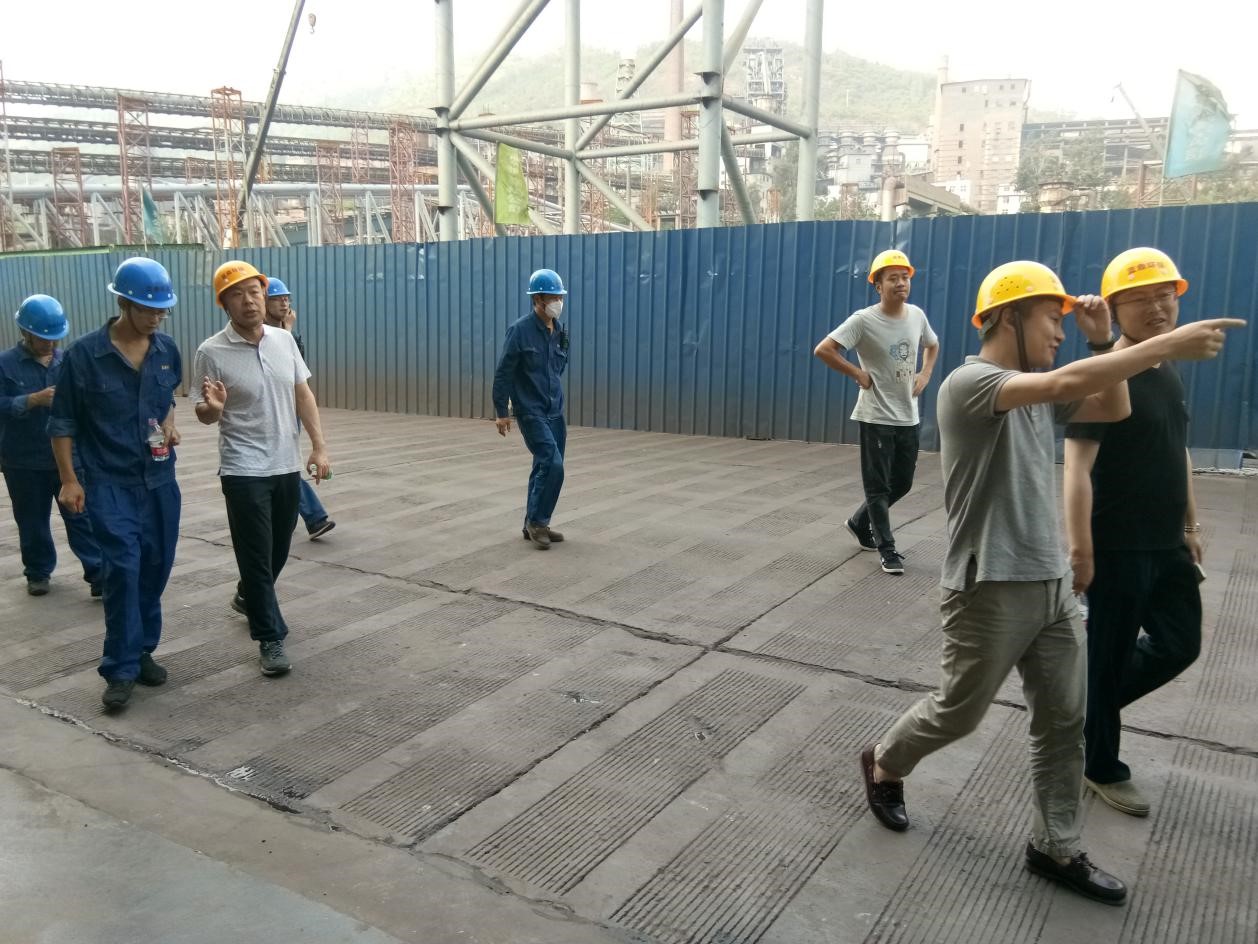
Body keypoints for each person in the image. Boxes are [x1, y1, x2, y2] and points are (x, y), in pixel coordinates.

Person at [858, 259, 1243, 905]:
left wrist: (1103, 341)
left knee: (1066, 721)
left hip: (1053, 584)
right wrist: (1163, 345)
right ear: (1008, 317)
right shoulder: (971, 383)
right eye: (1051, 319)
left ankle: (1055, 846)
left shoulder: (1039, 389)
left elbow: (1112, 404)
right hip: (988, 586)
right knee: (960, 711)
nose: (1061, 333)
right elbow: (1067, 381)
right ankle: (887, 760)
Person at [1064, 248, 1204, 818]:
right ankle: (1099, 764)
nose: (1157, 308)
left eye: (1165, 295)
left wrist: (1190, 523)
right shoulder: (1102, 376)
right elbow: (1076, 468)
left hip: (1167, 542)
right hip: (1118, 544)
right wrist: (1081, 549)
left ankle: (1084, 712)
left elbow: (1178, 448)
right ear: (1114, 309)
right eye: (1140, 299)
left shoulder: (1166, 367)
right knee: (1109, 654)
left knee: (1180, 644)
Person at [49, 258, 182, 711]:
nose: (156, 317)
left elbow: (167, 399)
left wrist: (169, 422)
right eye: (147, 309)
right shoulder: (84, 356)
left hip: (160, 479)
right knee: (123, 569)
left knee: (155, 567)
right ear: (123, 303)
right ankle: (120, 668)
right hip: (108, 482)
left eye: (162, 310)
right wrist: (69, 480)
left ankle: (142, 650)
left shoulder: (166, 350)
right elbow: (62, 422)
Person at [194, 261, 332, 678]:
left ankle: (247, 594)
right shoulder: (211, 352)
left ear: (263, 295)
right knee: (255, 554)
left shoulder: (284, 341)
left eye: (254, 292)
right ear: (224, 304)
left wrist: (319, 446)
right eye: (237, 295)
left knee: (278, 549)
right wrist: (212, 409)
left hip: (285, 463)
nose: (249, 301)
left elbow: (303, 394)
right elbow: (204, 412)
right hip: (242, 468)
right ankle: (270, 637)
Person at [814, 250, 939, 575]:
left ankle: (859, 521)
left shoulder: (916, 316)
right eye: (892, 278)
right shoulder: (863, 320)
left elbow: (932, 344)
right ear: (878, 285)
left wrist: (925, 374)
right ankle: (887, 548)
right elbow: (824, 349)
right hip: (875, 415)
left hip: (907, 415)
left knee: (903, 482)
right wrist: (857, 373)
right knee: (878, 486)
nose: (901, 283)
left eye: (905, 277)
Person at [1, 295, 103, 598]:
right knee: (31, 520)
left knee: (81, 517)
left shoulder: (68, 361)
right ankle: (37, 572)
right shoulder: (5, 364)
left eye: (55, 338)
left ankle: (99, 573)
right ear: (25, 332)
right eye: (43, 338)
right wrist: (31, 400)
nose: (50, 343)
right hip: (23, 460)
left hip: (70, 459)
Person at [492, 268, 570, 550]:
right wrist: (502, 412)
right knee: (553, 464)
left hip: (555, 411)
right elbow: (504, 373)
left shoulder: (559, 331)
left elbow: (558, 368)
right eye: (553, 297)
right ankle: (537, 521)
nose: (558, 302)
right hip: (531, 411)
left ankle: (534, 524)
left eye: (560, 297)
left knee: (543, 466)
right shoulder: (520, 330)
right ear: (538, 299)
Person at [264, 277, 335, 540]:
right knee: (284, 465)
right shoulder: (258, 333)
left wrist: (289, 331)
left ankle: (303, 517)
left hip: (291, 407)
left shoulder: (289, 334)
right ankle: (313, 517)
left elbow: (298, 371)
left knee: (285, 463)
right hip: (269, 410)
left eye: (287, 299)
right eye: (277, 299)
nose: (284, 304)